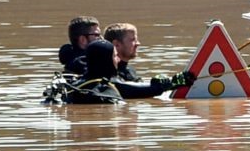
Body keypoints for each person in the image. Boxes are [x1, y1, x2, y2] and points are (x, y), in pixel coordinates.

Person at [58, 40, 196, 104]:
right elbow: (146, 89)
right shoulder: (108, 85)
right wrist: (175, 82)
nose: (118, 59)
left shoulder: (79, 83)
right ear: (106, 60)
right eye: (114, 56)